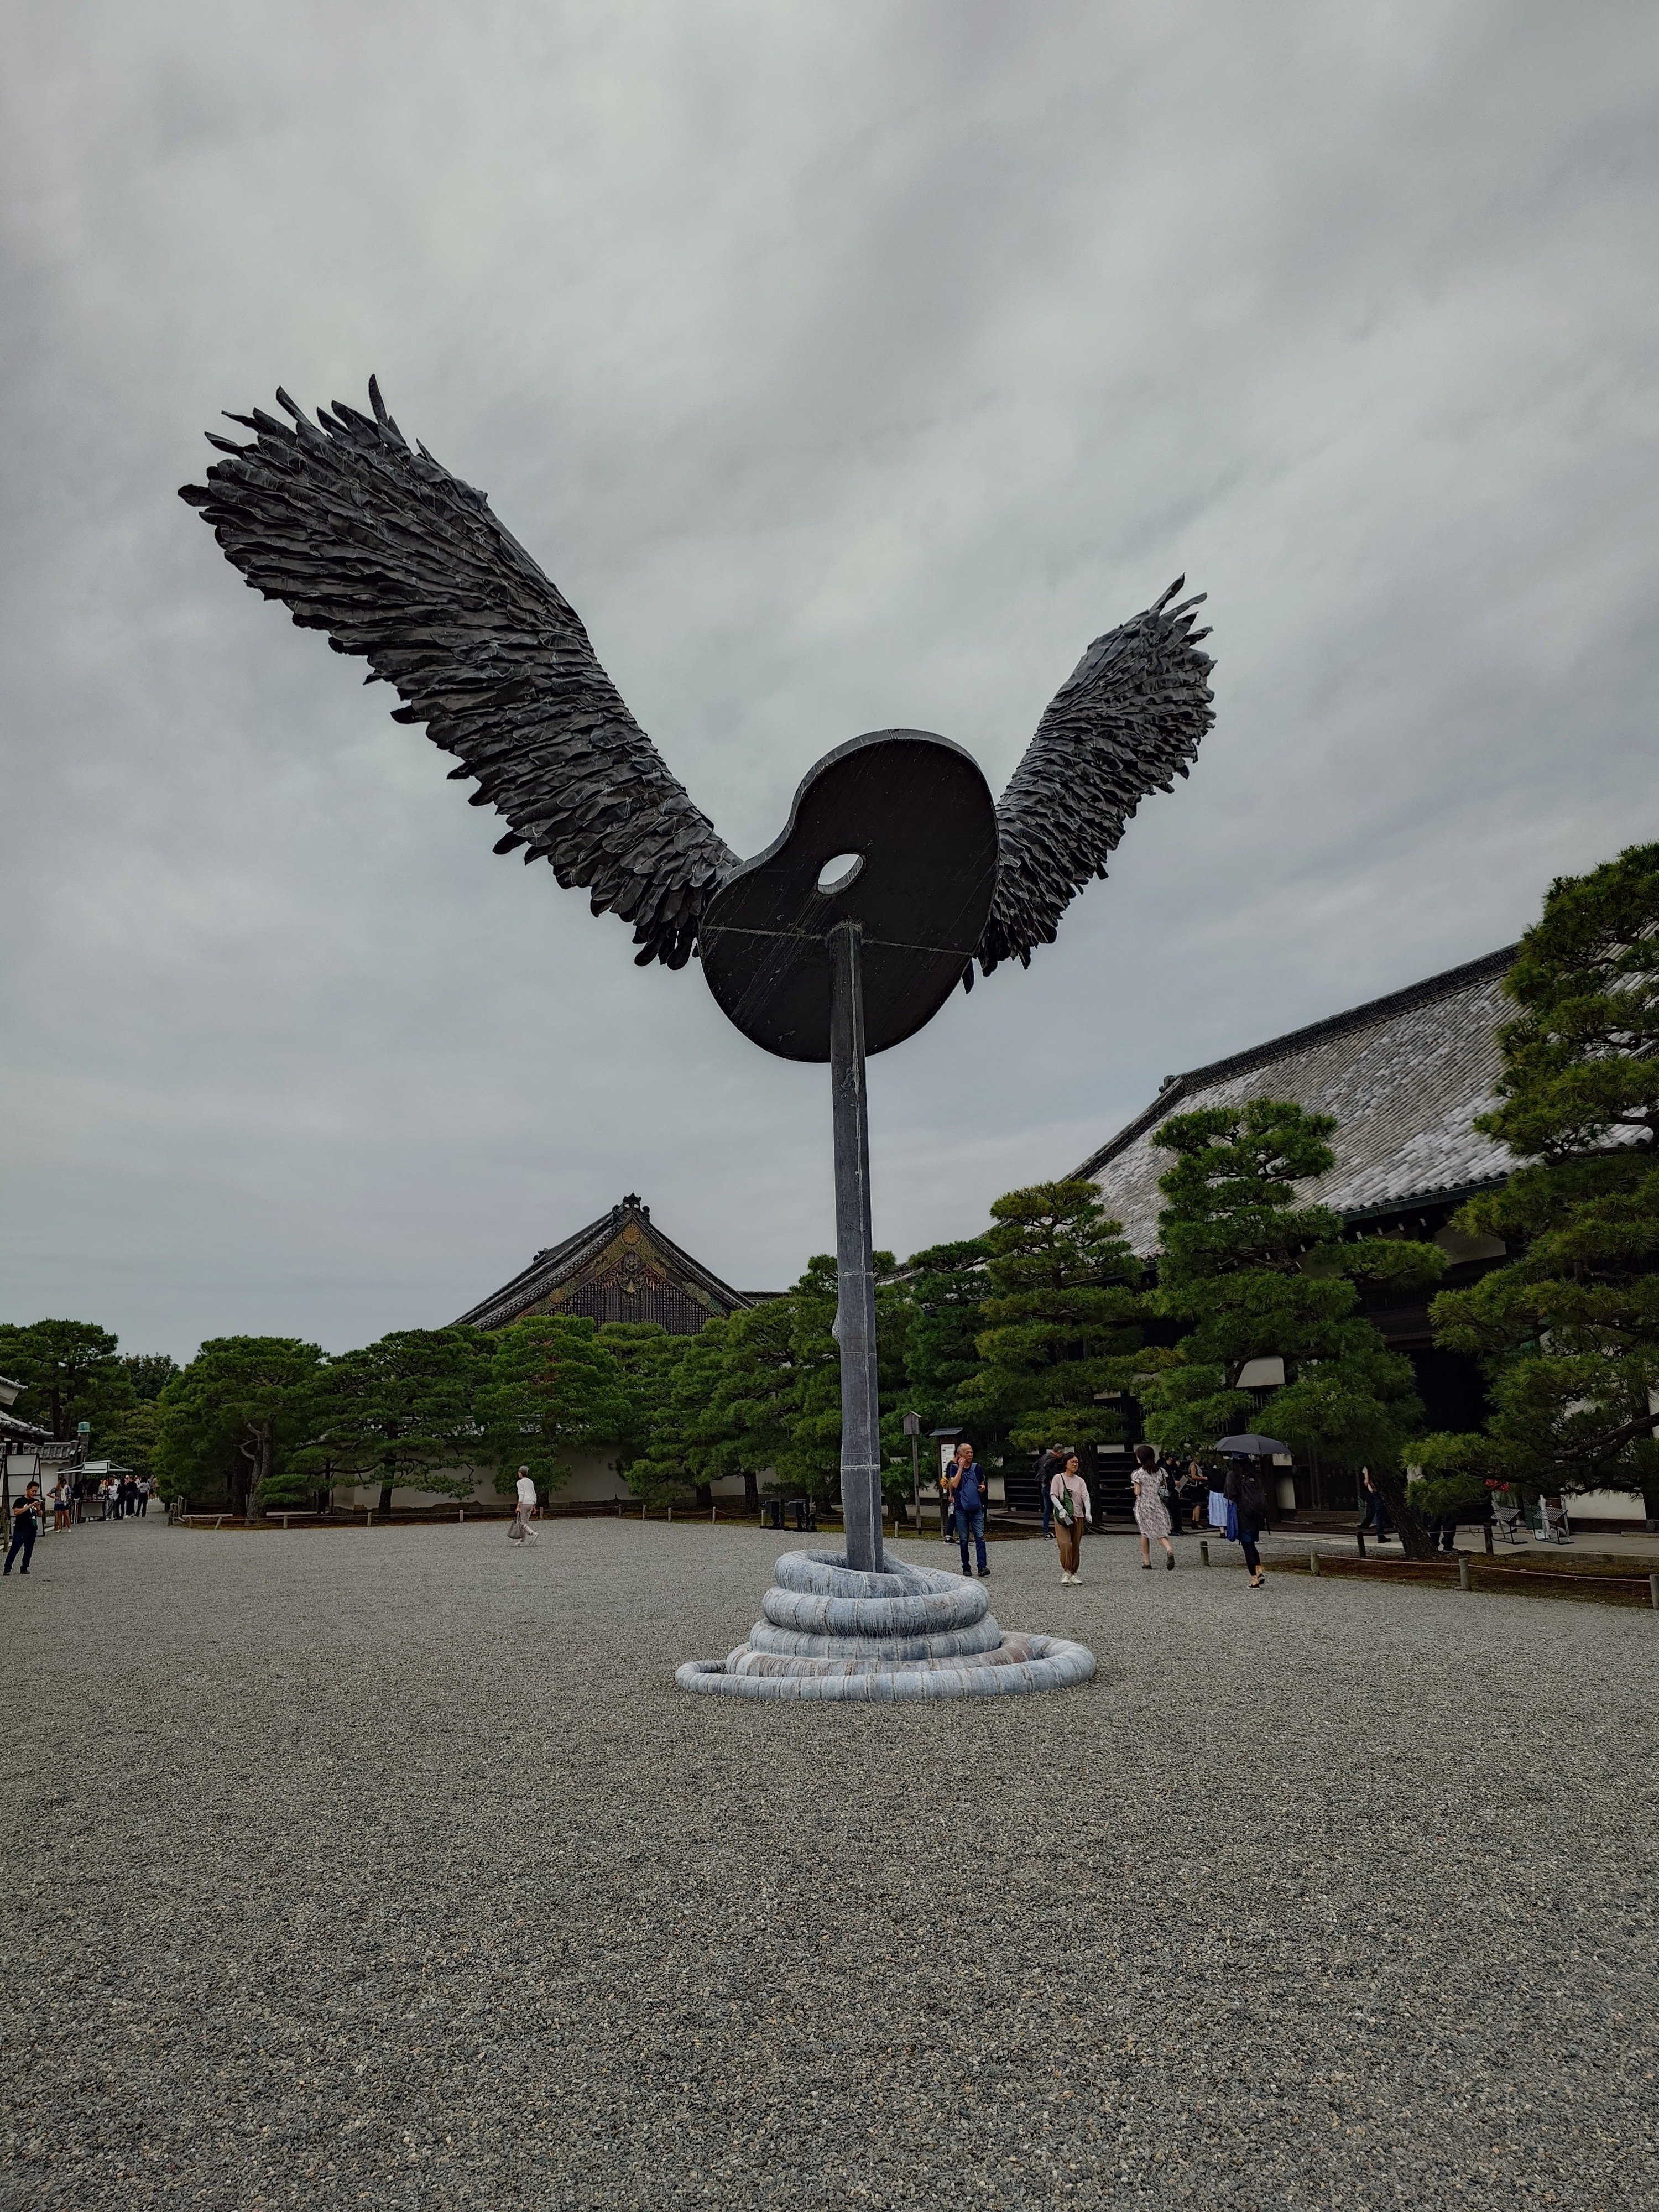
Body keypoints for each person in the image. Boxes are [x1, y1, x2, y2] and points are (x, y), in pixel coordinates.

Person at [1224, 1457, 1268, 1588]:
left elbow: (1231, 1495)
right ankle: (1259, 1570)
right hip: (1256, 1516)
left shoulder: (1233, 1476)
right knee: (1252, 1545)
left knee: (1247, 1546)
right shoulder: (1254, 1475)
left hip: (1242, 1514)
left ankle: (1254, 1579)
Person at [948, 1441, 989, 1579]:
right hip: (961, 1508)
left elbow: (981, 1484)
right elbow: (954, 1484)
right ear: (960, 1454)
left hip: (976, 1507)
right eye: (967, 1452)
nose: (970, 1454)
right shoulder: (953, 1468)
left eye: (971, 1452)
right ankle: (966, 1566)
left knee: (980, 1537)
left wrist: (982, 1488)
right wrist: (960, 1467)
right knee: (964, 1539)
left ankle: (982, 1566)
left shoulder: (978, 1468)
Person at [1131, 1443, 1176, 1571]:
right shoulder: (1161, 1471)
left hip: (1144, 1505)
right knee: (1161, 1532)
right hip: (1157, 1503)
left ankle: (1147, 1561)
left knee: (1145, 1533)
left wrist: (1135, 1487)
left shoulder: (1138, 1474)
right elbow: (1162, 1486)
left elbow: (1137, 1492)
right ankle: (1169, 1549)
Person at [1050, 1452, 1092, 1582]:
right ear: (1066, 1464)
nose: (1075, 1464)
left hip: (1078, 1515)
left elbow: (1086, 1497)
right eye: (1072, 1462)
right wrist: (1061, 1509)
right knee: (1065, 1543)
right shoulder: (1058, 1478)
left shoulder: (1080, 1481)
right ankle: (1066, 1570)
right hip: (1063, 1516)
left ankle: (1073, 1572)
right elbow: (1053, 1495)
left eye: (1076, 1462)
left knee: (1075, 1544)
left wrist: (1088, 1512)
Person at [5, 1483, 41, 1576]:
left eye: (36, 1491)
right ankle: (7, 1568)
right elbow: (16, 1512)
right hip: (20, 1529)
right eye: (33, 1491)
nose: (34, 1493)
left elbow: (40, 1515)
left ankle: (25, 1567)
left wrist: (38, 1508)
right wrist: (29, 1506)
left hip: (32, 1529)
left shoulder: (36, 1501)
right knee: (15, 1549)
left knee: (29, 1550)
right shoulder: (20, 1500)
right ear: (27, 1490)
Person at [1032, 1445, 1068, 1540]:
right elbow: (1046, 1466)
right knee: (1060, 1506)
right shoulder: (1052, 1459)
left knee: (1048, 1510)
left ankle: (1046, 1531)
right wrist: (1051, 1479)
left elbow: (1035, 1465)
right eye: (1062, 1453)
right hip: (1050, 1486)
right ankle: (1065, 1528)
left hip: (1044, 1485)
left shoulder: (1044, 1456)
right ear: (1059, 1452)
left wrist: (1041, 1477)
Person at [510, 1466, 539, 1545]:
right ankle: (522, 1540)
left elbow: (522, 1494)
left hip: (524, 1502)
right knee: (525, 1521)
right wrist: (534, 1505)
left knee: (521, 1522)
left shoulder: (520, 1482)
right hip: (531, 1503)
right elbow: (534, 1493)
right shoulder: (530, 1481)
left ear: (521, 1473)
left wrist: (519, 1506)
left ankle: (533, 1533)